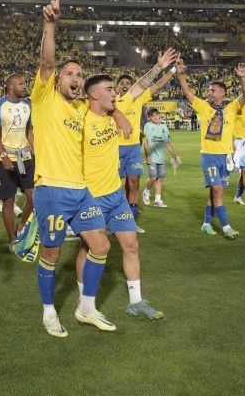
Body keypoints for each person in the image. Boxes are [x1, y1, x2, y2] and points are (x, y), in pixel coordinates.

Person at [30, 0, 114, 337]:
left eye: (79, 74)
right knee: (51, 251)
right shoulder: (44, 96)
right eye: (70, 73)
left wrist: (118, 111)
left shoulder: (81, 109)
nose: (75, 78)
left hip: (81, 190)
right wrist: (50, 26)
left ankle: (86, 307)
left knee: (101, 245)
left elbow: (110, 103)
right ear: (58, 79)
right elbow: (47, 61)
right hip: (51, 188)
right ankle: (49, 311)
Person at [78, 74, 164, 323]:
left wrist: (160, 67)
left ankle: (136, 302)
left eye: (114, 89)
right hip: (91, 196)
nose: (114, 93)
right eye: (109, 89)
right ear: (94, 95)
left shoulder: (115, 109)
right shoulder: (80, 116)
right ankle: (84, 302)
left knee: (131, 244)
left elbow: (139, 87)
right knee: (88, 249)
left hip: (116, 195)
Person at [176, 58, 245, 239]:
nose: (209, 92)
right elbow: (187, 92)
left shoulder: (231, 108)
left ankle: (206, 223)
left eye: (212, 90)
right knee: (218, 190)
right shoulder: (203, 106)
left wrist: (241, 78)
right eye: (209, 89)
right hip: (208, 155)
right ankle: (226, 227)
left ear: (222, 93)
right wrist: (181, 74)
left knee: (213, 191)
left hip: (225, 156)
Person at [115, 48, 178, 233]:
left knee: (133, 182)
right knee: (113, 186)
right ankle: (111, 217)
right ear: (117, 87)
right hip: (114, 149)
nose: (126, 85)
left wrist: (172, 71)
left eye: (129, 83)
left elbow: (157, 86)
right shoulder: (111, 102)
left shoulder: (138, 99)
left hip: (133, 148)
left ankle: (131, 221)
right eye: (123, 83)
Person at [0, 73, 35, 249]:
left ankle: (21, 225)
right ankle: (12, 238)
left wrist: (36, 149)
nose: (24, 86)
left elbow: (29, 130)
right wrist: (4, 156)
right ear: (10, 86)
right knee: (8, 201)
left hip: (25, 157)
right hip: (5, 159)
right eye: (21, 84)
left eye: (25, 83)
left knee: (33, 197)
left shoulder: (27, 105)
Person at [142, 108, 177, 208]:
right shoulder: (148, 126)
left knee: (160, 178)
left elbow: (167, 143)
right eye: (152, 116)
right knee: (153, 177)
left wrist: (174, 155)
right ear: (149, 118)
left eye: (157, 114)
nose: (156, 117)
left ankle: (158, 200)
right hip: (151, 156)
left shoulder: (164, 127)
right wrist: (147, 155)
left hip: (161, 157)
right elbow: (146, 142)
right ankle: (146, 192)